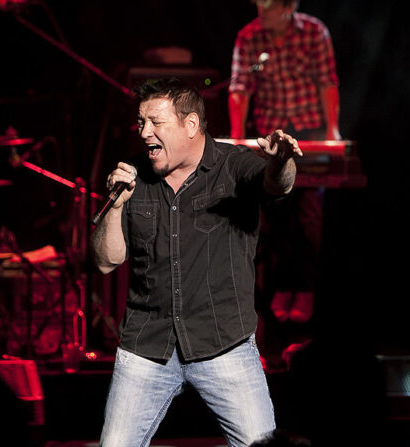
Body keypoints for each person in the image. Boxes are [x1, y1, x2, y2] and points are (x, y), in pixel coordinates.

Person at [91, 77, 302, 447]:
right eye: (141, 122)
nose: (144, 133)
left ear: (190, 125)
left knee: (263, 446)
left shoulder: (233, 164)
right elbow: (107, 262)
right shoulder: (134, 176)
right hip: (147, 346)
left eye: (156, 122)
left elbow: (277, 184)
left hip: (223, 342)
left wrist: (282, 159)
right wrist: (115, 207)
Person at [228, 0, 340, 330]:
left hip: (308, 134)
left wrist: (332, 134)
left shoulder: (314, 32)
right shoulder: (249, 37)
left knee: (309, 219)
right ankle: (273, 295)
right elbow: (239, 89)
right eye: (259, 6)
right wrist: (237, 137)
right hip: (270, 137)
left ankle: (304, 290)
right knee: (271, 217)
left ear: (289, 6)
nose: (262, 13)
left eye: (269, 7)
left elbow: (327, 82)